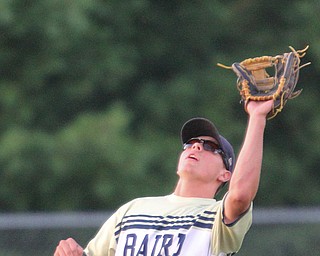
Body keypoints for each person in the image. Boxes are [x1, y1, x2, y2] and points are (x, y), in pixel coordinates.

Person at [54, 99, 274, 256]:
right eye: (191, 143)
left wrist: (257, 117)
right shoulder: (133, 210)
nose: (196, 146)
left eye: (210, 146)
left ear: (225, 174)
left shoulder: (215, 218)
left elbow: (240, 195)